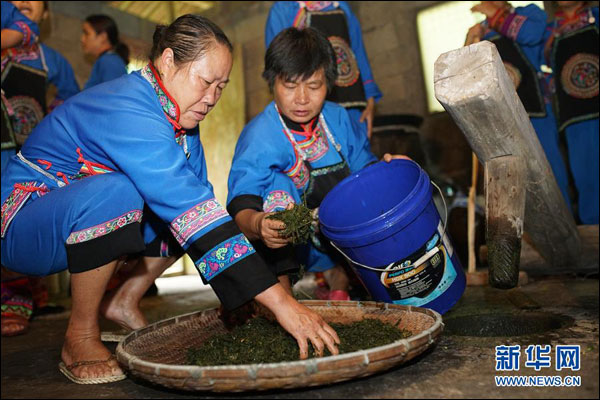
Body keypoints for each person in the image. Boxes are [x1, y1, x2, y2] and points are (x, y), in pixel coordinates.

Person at [1, 14, 339, 384]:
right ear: (167, 61)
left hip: (70, 225)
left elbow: (203, 207)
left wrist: (250, 294)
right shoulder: (130, 106)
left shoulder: (182, 124)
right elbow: (187, 206)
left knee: (189, 215)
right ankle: (80, 335)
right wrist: (283, 304)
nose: (211, 98)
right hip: (23, 224)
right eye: (205, 81)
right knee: (124, 192)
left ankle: (124, 299)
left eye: (221, 87)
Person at [227, 27, 407, 304]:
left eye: (313, 86)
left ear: (329, 85)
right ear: (272, 82)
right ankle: (283, 298)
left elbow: (366, 172)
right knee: (278, 188)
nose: (301, 98)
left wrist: (390, 171)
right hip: (288, 246)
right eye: (289, 86)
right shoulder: (259, 137)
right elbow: (242, 204)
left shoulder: (339, 119)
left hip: (338, 237)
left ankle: (340, 277)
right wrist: (258, 223)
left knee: (363, 190)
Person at [1, 0, 80, 337]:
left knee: (22, 220)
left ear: (46, 12)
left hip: (30, 158)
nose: (23, 2)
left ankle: (20, 296)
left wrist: (50, 119)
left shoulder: (49, 58)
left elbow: (72, 96)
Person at [465, 1, 572, 208]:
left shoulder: (529, 13)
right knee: (506, 182)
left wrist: (495, 15)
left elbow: (532, 34)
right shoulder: (480, 32)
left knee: (549, 172)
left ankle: (567, 234)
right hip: (498, 119)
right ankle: (514, 238)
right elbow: (469, 73)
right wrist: (470, 40)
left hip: (536, 110)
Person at [265, 1, 382, 140]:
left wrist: (369, 97)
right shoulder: (283, 10)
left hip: (351, 101)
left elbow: (357, 50)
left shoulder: (341, 6)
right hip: (311, 104)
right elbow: (277, 65)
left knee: (356, 147)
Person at [543, 1, 598, 225]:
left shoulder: (596, 15)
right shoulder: (547, 31)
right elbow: (538, 69)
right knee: (587, 178)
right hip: (574, 117)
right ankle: (595, 234)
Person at [80, 14, 129, 90]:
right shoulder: (106, 60)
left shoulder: (109, 61)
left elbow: (112, 97)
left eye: (86, 33)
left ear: (103, 37)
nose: (82, 39)